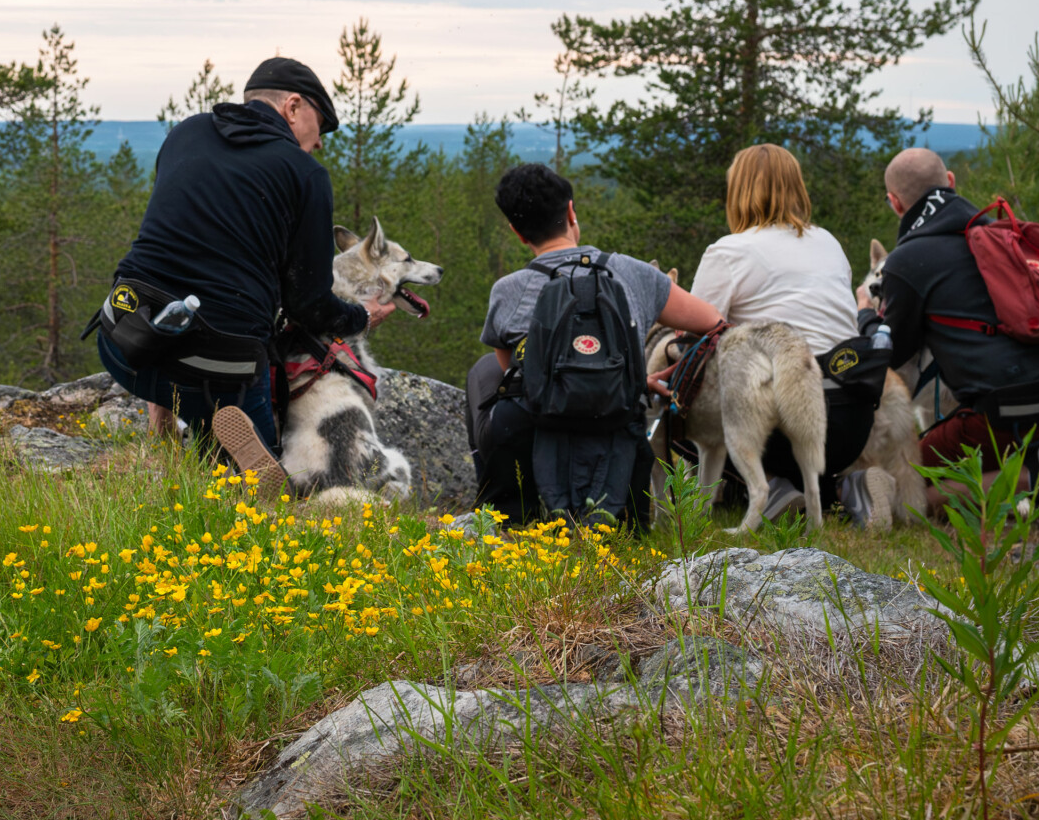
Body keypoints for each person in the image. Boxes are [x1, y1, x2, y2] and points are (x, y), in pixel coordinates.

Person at [95, 58, 395, 490]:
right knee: (264, 476)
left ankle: (166, 415)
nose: (319, 144)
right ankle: (234, 460)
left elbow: (172, 236)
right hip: (214, 363)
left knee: (173, 289)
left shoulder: (186, 131)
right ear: (293, 107)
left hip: (124, 339)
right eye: (319, 126)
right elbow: (307, 303)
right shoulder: (305, 174)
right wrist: (360, 318)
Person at [465, 163, 721, 527]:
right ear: (571, 211)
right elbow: (712, 322)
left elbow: (512, 371)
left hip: (537, 432)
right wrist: (632, 379)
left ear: (518, 233)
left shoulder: (509, 289)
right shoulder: (632, 272)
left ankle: (505, 502)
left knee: (485, 371)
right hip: (617, 428)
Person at [858, 147, 1039, 530]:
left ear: (895, 203)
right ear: (951, 182)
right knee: (978, 440)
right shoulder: (999, 234)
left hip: (1005, 414)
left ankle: (1034, 481)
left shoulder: (908, 260)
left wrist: (866, 315)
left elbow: (890, 353)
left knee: (911, 478)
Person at [685, 143, 896, 525]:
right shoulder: (829, 243)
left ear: (738, 190)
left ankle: (770, 486)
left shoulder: (729, 252)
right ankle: (851, 487)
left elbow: (694, 341)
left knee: (691, 389)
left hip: (777, 422)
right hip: (849, 420)